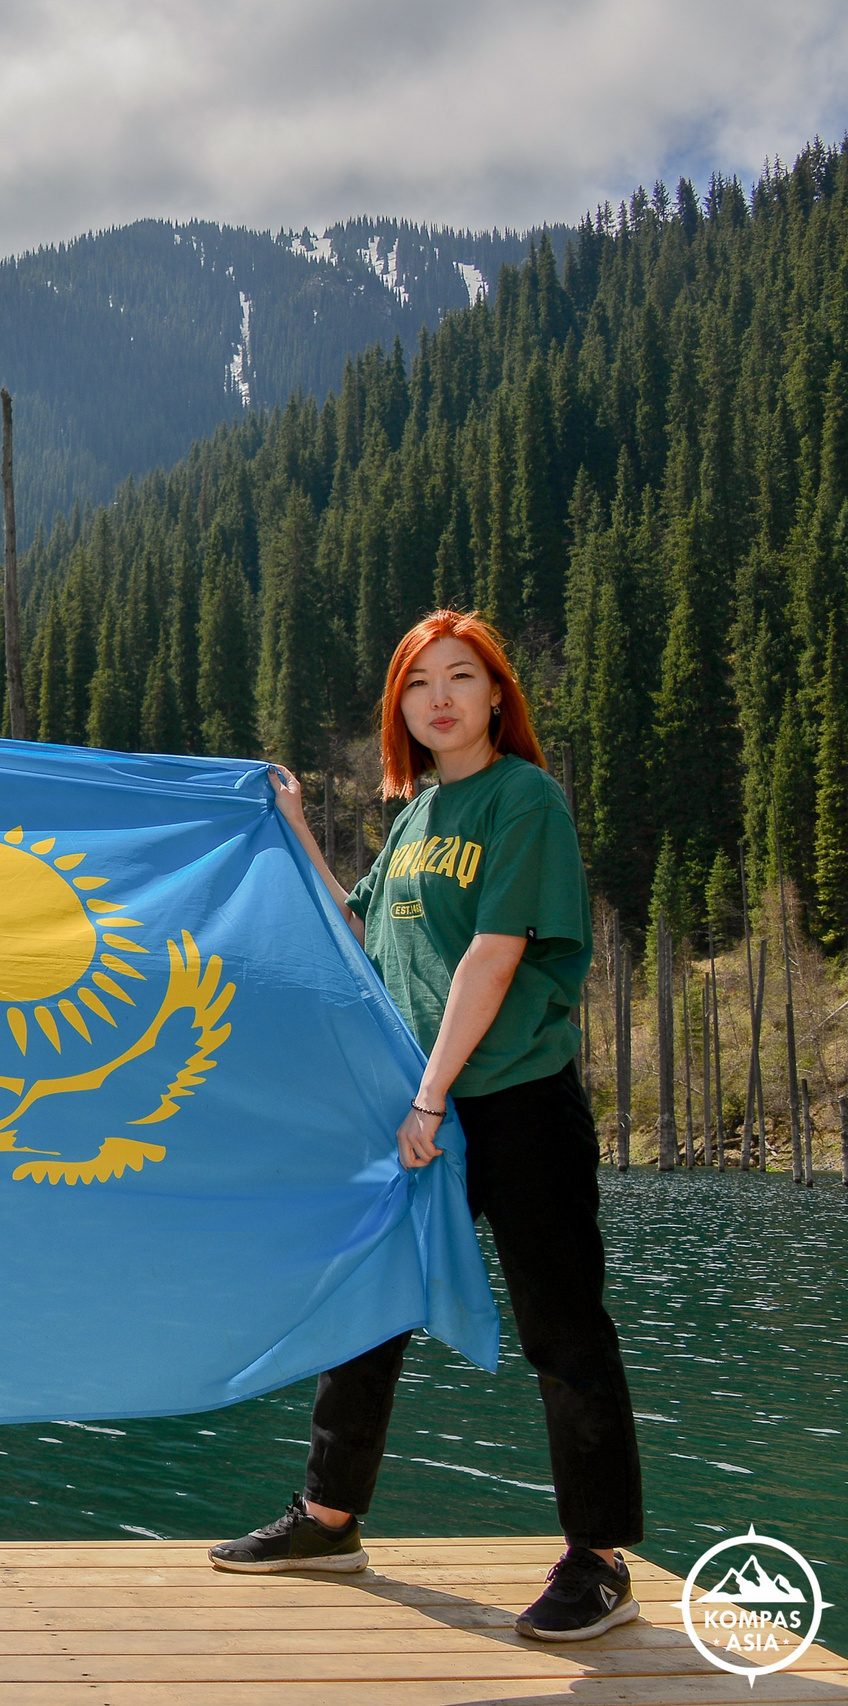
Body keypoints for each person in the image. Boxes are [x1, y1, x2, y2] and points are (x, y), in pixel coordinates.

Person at [206, 609, 644, 1643]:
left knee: (562, 1324)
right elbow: (354, 932)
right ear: (400, 707)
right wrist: (298, 825)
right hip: (422, 1107)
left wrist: (429, 1095)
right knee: (365, 1303)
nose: (438, 696)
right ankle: (328, 1519)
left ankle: (599, 1557)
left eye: (461, 675)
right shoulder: (413, 814)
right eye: (417, 682)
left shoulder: (522, 799)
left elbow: (494, 956)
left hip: (512, 1101)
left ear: (498, 694)